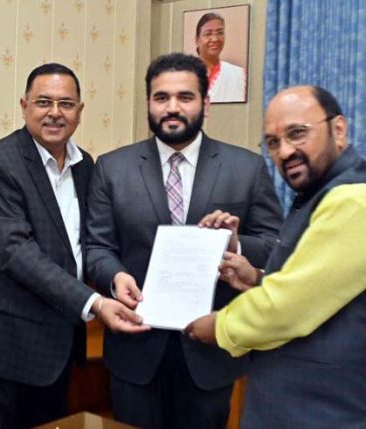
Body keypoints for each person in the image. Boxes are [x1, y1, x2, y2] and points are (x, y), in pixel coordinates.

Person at [185, 85, 366, 428]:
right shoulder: (318, 196)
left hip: (342, 411)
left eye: (297, 134)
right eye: (274, 143)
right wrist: (258, 279)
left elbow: (287, 308)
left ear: (338, 130)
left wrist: (220, 327)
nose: (285, 151)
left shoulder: (357, 201)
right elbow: (319, 287)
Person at [85, 53, 282, 429]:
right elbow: (97, 246)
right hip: (135, 345)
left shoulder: (246, 168)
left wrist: (237, 246)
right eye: (161, 97)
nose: (172, 107)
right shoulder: (112, 168)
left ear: (205, 104)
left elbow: (275, 244)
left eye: (185, 97)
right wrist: (115, 277)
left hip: (211, 350)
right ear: (148, 103)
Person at [0, 63, 149, 429]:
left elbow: (92, 243)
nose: (54, 112)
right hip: (5, 353)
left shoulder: (86, 168)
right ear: (24, 106)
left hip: (59, 351)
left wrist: (115, 278)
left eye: (66, 104)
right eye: (44, 102)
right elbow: (18, 253)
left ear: (80, 112)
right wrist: (96, 302)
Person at [195, 12, 246, 103]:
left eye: (220, 33)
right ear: (197, 40)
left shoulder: (238, 74)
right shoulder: (185, 74)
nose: (215, 39)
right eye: (208, 34)